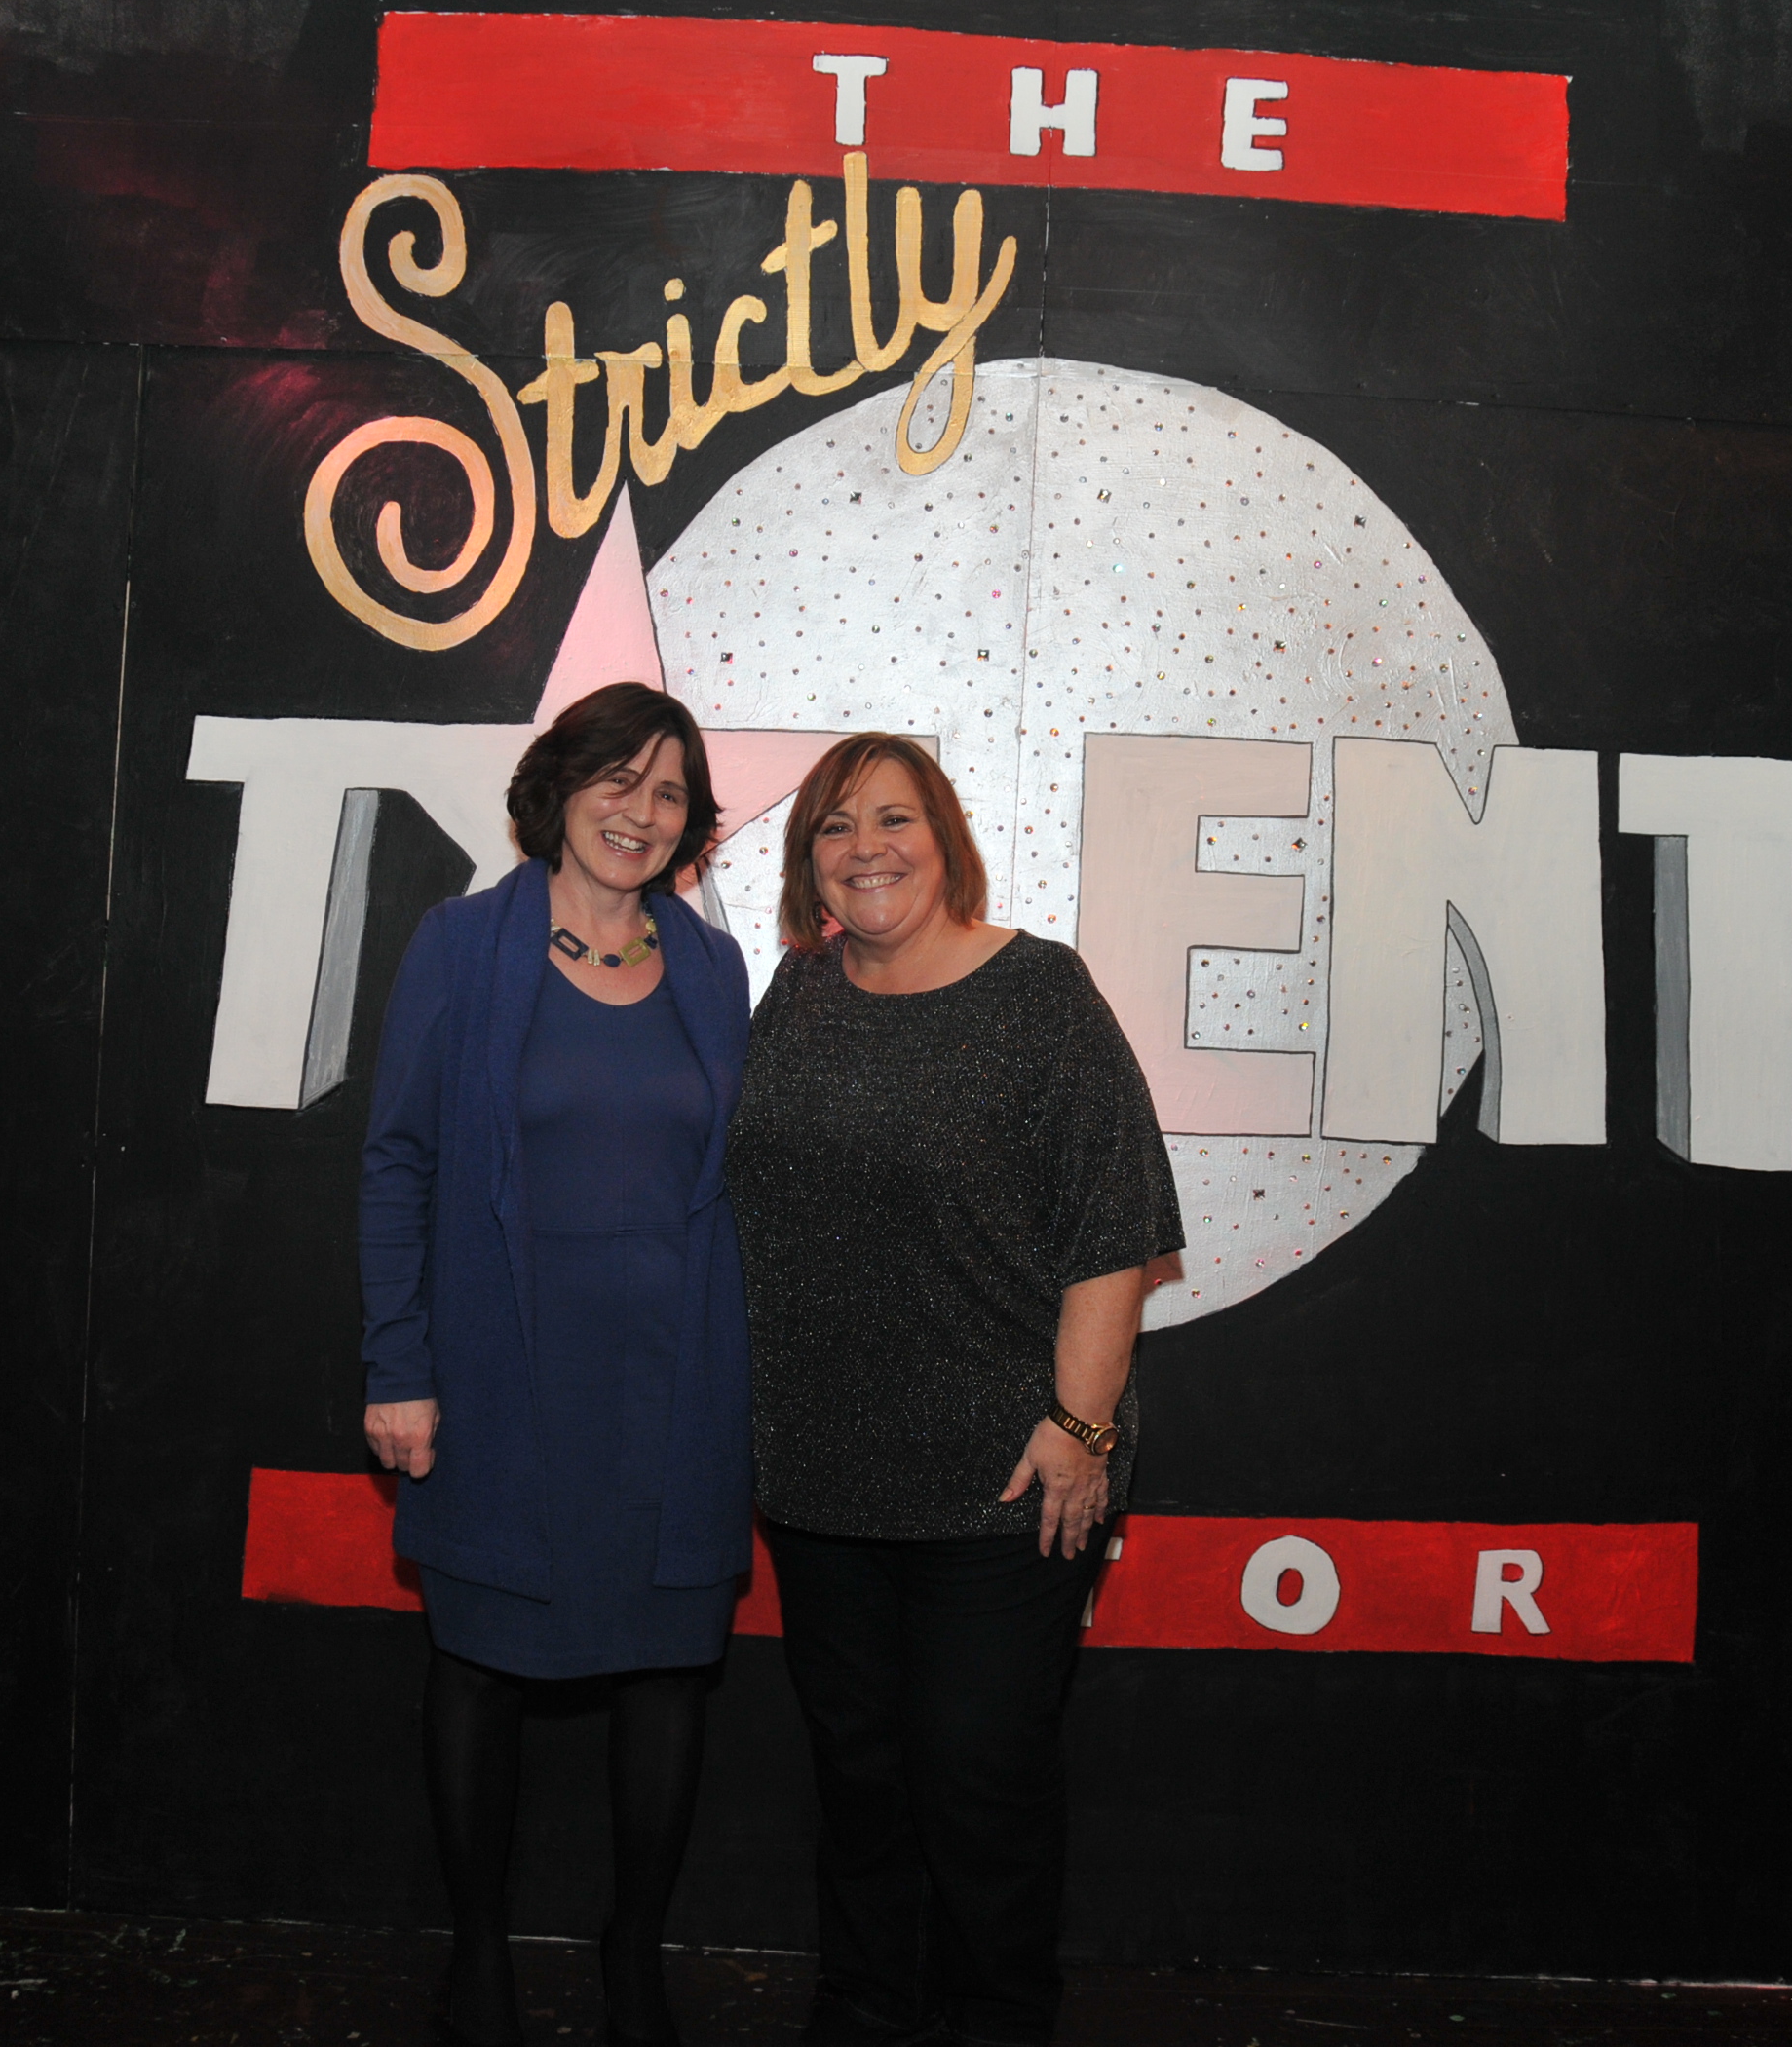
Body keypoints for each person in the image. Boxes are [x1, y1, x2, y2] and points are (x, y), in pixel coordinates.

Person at [724, 735, 1183, 2047]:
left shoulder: (1040, 993)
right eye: (835, 826)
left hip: (1005, 1479)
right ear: (807, 859)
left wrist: (1082, 1430)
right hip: (820, 1472)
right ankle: (868, 2005)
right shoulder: (796, 997)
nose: (866, 848)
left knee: (981, 1781)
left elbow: (1112, 1232)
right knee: (858, 1777)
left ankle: (995, 2020)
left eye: (895, 820)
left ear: (946, 841)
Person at [359, 682, 755, 2047]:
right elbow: (399, 1162)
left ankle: (632, 1953)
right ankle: (478, 1954)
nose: (641, 811)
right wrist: (397, 1364)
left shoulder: (713, 969)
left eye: (669, 792)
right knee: (477, 1667)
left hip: (677, 1383)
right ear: (560, 785)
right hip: (500, 1375)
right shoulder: (461, 947)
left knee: (669, 1673)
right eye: (618, 779)